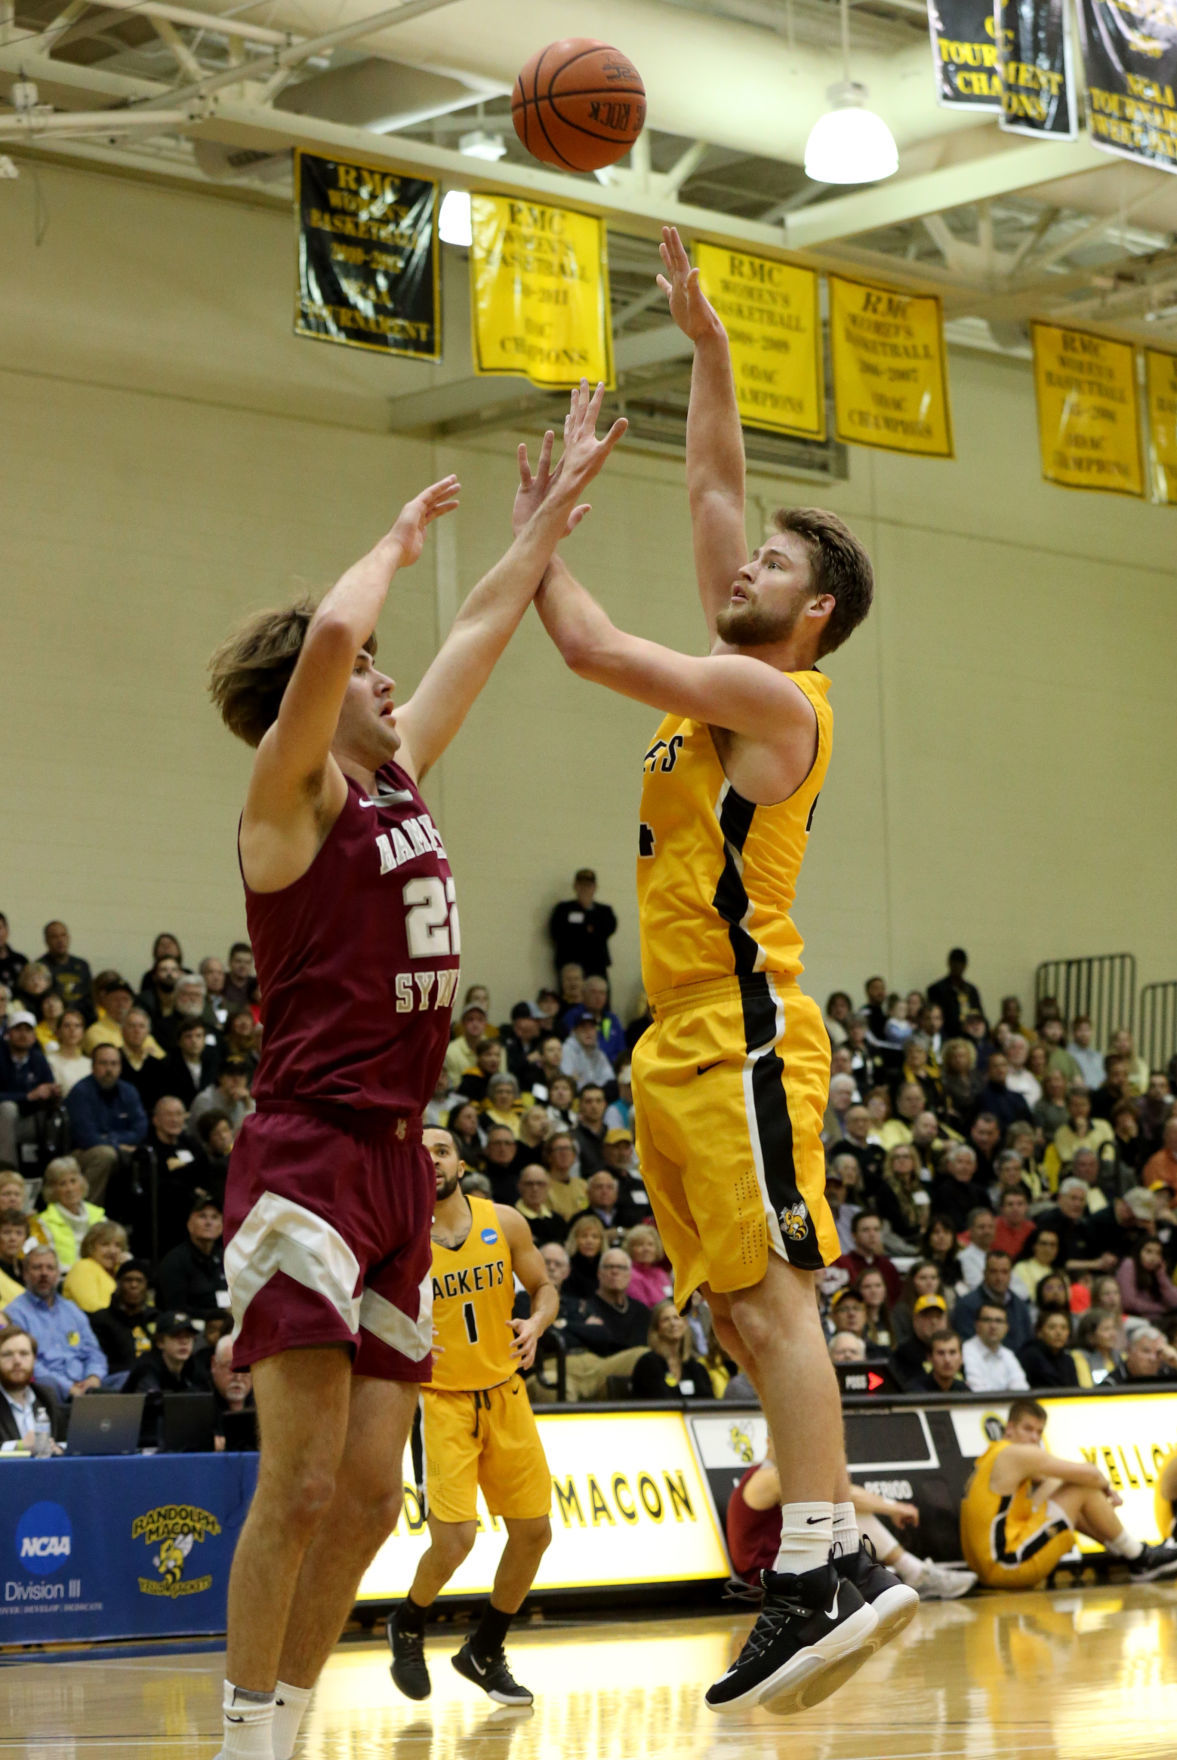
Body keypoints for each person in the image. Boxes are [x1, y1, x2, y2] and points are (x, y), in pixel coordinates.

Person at [203, 393, 624, 1760]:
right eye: (371, 673)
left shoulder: (399, 783)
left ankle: (288, 1714)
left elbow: (484, 633)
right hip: (309, 1153)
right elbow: (332, 636)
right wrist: (390, 537)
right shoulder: (292, 802)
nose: (391, 679)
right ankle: (238, 1728)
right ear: (313, 709)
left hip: (396, 1159)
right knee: (305, 1477)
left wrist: (546, 520)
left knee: (378, 1500)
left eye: (391, 668)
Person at [387, 1126, 555, 1708]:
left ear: (461, 1162)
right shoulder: (398, 1235)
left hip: (506, 1392)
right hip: (440, 1402)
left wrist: (536, 1323)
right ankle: (408, 1621)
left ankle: (484, 1648)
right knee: (455, 1541)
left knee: (534, 1533)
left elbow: (543, 1286)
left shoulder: (504, 1220)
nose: (431, 1160)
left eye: (442, 1151)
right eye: (420, 1153)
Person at [961, 1398, 1177, 1588]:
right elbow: (1090, 1475)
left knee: (1062, 1484)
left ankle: (1127, 1554)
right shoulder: (1016, 1454)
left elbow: (1064, 1480)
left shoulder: (995, 1454)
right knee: (1081, 1489)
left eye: (1039, 1432)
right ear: (1009, 1429)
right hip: (1006, 1564)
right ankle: (1140, 1557)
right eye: (1027, 1429)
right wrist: (1106, 1489)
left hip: (989, 1565)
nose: (1033, 1438)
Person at [728, 1436, 973, 1600]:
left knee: (839, 1508)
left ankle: (910, 1572)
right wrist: (894, 1507)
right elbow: (843, 1495)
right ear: (770, 1441)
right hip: (766, 1581)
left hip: (779, 1569)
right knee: (839, 1505)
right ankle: (910, 1572)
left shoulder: (766, 1474)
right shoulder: (771, 1477)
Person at [5, 1245, 108, 1400]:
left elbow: (93, 1352)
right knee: (47, 1384)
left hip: (85, 1384)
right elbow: (26, 1364)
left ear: (58, 1274)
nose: (44, 1273)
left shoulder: (72, 1309)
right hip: (49, 1387)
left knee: (127, 1378)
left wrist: (93, 1377)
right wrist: (68, 1388)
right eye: (37, 1268)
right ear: (25, 1274)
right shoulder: (15, 1313)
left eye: (50, 1268)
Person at [65, 1042, 148, 1203]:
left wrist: (112, 1140)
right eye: (103, 1063)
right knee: (105, 1154)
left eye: (114, 1064)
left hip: (123, 1149)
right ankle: (86, 1212)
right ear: (93, 1066)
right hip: (83, 1152)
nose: (109, 1069)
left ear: (120, 1067)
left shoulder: (129, 1090)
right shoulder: (80, 1092)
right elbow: (86, 1137)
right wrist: (117, 1145)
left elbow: (140, 1129)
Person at [0, 1012, 60, 1172]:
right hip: (4, 1120)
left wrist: (53, 1091)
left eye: (28, 1030)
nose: (23, 1035)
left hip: (31, 1120)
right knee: (7, 1108)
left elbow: (49, 1085)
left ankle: (53, 1172)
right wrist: (28, 1096)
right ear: (8, 1034)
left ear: (34, 1036)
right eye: (18, 1029)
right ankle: (8, 1172)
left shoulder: (38, 1058)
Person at [565, 1248, 651, 1354]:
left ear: (629, 1275)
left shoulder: (642, 1311)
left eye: (621, 1267)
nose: (615, 1271)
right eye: (609, 1267)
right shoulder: (585, 1308)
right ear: (599, 1273)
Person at [155, 1196, 229, 1320]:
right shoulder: (175, 1261)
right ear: (190, 1224)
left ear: (222, 1226)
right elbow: (176, 1309)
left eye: (215, 1217)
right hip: (187, 1329)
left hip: (225, 1325)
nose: (208, 1222)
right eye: (202, 1216)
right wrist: (217, 1316)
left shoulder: (226, 1258)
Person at [29, 1157, 105, 1271]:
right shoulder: (42, 1223)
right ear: (52, 1190)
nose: (70, 1189)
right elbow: (45, 1264)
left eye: (73, 1181)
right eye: (62, 1184)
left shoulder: (98, 1215)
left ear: (81, 1183)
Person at [630, 1299, 715, 1399]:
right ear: (657, 1328)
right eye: (666, 1319)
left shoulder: (695, 1366)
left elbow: (708, 1403)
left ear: (685, 1324)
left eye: (676, 1318)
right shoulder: (648, 1364)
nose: (673, 1323)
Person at [954, 1250, 1034, 1351]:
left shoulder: (1020, 1307)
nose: (999, 1278)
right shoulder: (966, 1305)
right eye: (994, 1272)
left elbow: (1028, 1344)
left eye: (1004, 1272)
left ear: (1011, 1275)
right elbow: (966, 1344)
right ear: (984, 1273)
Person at [0, 1325, 63, 1451]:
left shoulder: (46, 1396)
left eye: (24, 1353)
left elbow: (63, 1440)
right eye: (7, 1354)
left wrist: (57, 1449)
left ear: (34, 1359)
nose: (17, 1361)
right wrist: (20, 1446)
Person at [90, 1257, 157, 1374]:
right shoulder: (100, 1319)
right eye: (128, 1280)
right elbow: (96, 1360)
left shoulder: (155, 1317)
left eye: (139, 1280)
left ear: (147, 1286)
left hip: (152, 1380)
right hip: (116, 1380)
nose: (134, 1285)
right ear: (118, 1284)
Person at [548, 869, 617, 981]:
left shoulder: (604, 911)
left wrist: (580, 929)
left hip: (596, 964)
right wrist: (587, 929)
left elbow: (608, 929)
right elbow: (558, 933)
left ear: (594, 887)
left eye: (588, 885)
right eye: (581, 885)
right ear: (575, 886)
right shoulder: (563, 909)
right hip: (570, 965)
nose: (585, 889)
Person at [961, 1302, 1030, 1394]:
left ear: (1007, 1327)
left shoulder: (1008, 1354)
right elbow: (978, 1393)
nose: (993, 1326)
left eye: (999, 1321)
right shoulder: (966, 1350)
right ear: (977, 1325)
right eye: (987, 1320)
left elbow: (1022, 1389)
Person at [835, 1212, 902, 1306]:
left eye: (876, 1229)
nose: (872, 1234)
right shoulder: (841, 1264)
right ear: (854, 1236)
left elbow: (895, 1301)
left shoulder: (888, 1266)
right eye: (865, 1230)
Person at [61, 1219, 127, 1313]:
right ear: (90, 1246)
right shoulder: (83, 1267)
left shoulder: (119, 1271)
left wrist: (126, 1270)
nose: (113, 1251)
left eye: (118, 1245)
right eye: (105, 1244)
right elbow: (92, 1308)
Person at [887, 1293, 950, 1390]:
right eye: (928, 1316)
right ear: (915, 1320)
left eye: (938, 1316)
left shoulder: (956, 1348)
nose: (934, 1322)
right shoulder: (904, 1353)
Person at [41, 921, 93, 1024]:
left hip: (81, 1021)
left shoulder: (82, 965)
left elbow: (89, 997)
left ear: (68, 938)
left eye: (63, 935)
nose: (60, 940)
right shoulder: (42, 967)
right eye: (54, 937)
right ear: (46, 941)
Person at [1018, 1310, 1080, 1389]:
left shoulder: (1068, 1360)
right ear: (1039, 1332)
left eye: (1064, 1328)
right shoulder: (1029, 1356)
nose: (1058, 1333)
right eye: (1052, 1327)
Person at [1108, 1326, 1177, 1384]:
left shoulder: (1168, 1373)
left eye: (1158, 1353)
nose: (1152, 1359)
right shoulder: (1112, 1383)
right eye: (1146, 1351)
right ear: (1129, 1351)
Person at [911, 1330, 969, 1395]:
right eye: (941, 1353)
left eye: (952, 1352)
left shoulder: (964, 1390)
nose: (947, 1360)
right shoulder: (916, 1392)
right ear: (929, 1358)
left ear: (961, 1357)